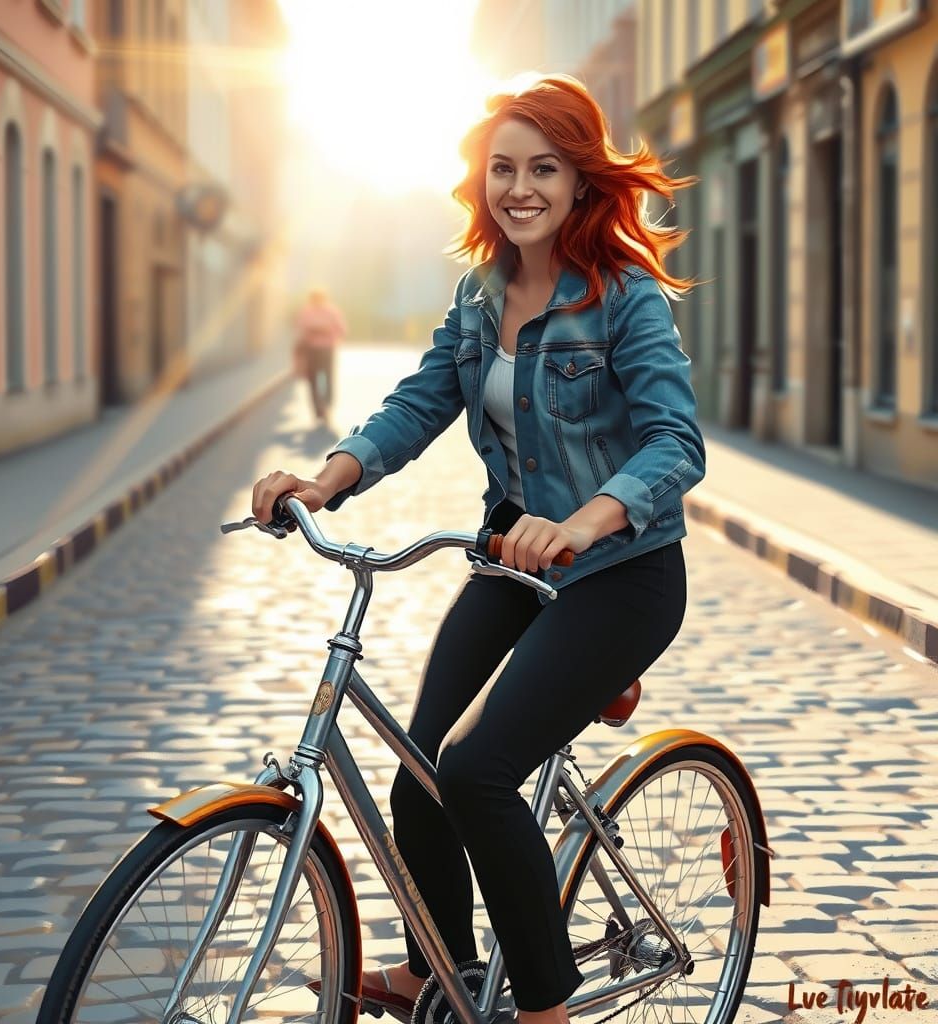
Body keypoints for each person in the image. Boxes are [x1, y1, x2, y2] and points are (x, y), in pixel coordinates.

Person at [252, 73, 705, 1024]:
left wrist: (583, 521)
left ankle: (543, 1010)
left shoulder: (624, 297)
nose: (520, 187)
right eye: (503, 168)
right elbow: (420, 400)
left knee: (474, 770)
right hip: (514, 565)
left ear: (580, 181)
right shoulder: (478, 294)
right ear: (480, 180)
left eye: (544, 168)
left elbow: (676, 443)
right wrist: (326, 479)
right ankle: (442, 970)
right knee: (420, 773)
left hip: (620, 576)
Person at [293, 287, 347, 423]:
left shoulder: (320, 312)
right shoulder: (328, 311)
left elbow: (301, 329)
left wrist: (321, 331)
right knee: (320, 379)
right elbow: (341, 330)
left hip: (322, 349)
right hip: (318, 349)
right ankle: (323, 408)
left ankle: (323, 408)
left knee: (322, 379)